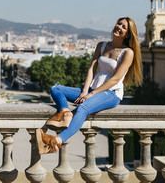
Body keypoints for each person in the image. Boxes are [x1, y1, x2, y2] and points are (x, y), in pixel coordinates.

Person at [36, 17, 143, 154]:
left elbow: (115, 79)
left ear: (128, 34)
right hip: (92, 89)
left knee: (83, 108)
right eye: (119, 23)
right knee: (56, 89)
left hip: (111, 93)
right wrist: (85, 91)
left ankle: (56, 141)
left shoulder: (128, 52)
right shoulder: (102, 45)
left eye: (124, 27)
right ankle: (65, 114)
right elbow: (92, 69)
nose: (119, 27)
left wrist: (91, 95)